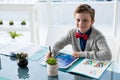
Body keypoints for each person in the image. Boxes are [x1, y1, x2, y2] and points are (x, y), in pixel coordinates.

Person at [46, 4, 112, 61]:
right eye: (78, 20)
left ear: (92, 22)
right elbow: (58, 44)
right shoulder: (71, 33)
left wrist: (82, 54)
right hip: (76, 68)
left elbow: (107, 55)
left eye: (85, 20)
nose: (80, 24)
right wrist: (52, 52)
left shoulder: (98, 36)